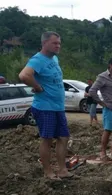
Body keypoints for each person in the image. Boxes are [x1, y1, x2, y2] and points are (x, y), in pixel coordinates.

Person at [18, 31, 75, 180]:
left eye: (59, 43)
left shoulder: (54, 59)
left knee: (63, 137)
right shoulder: (37, 60)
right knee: (47, 139)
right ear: (44, 43)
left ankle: (62, 170)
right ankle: (48, 172)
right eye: (54, 43)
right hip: (44, 107)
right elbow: (24, 75)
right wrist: (36, 87)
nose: (58, 46)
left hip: (57, 107)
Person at [89, 57, 112, 161]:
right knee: (108, 130)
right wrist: (101, 103)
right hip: (110, 108)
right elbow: (92, 91)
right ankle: (103, 153)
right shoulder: (102, 77)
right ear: (110, 65)